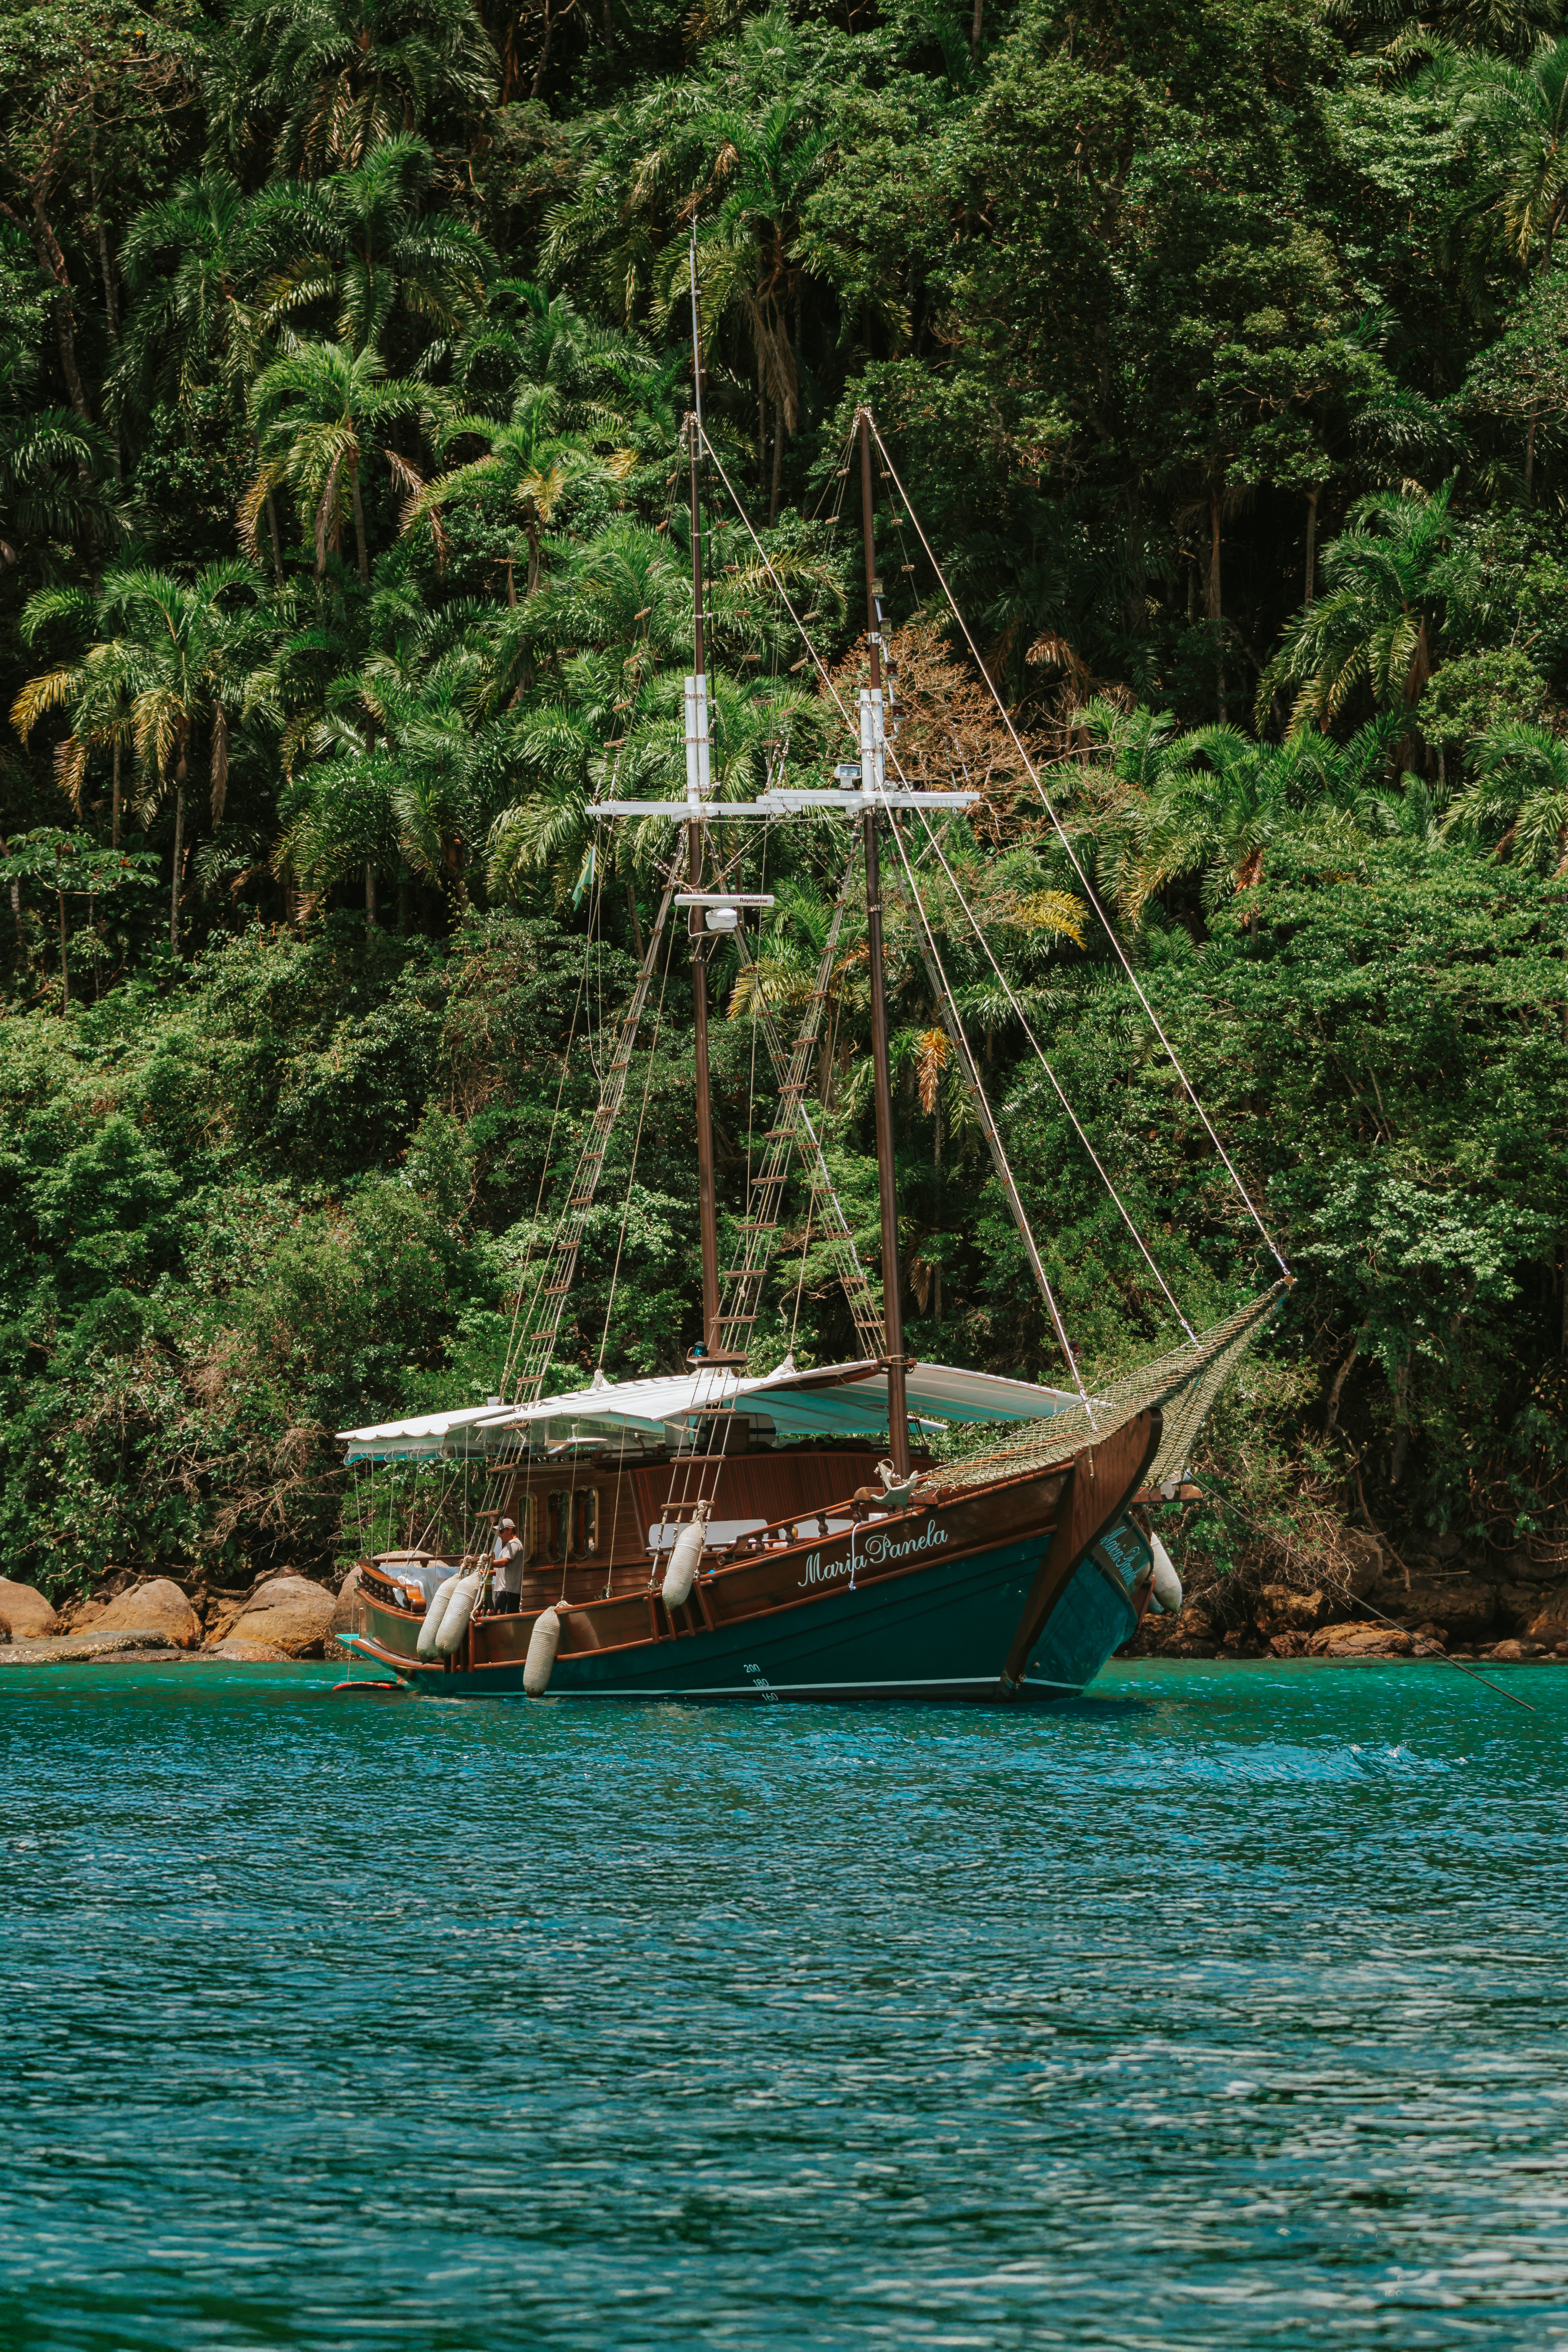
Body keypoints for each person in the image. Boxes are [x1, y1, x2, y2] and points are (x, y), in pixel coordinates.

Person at [490, 1517, 525, 1613]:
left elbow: (505, 1563)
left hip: (510, 1591)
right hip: (505, 1590)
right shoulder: (509, 1545)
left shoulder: (514, 1544)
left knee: (504, 1618)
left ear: (510, 1530)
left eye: (501, 1531)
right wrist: (490, 1572)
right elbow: (505, 1572)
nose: (500, 1535)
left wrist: (489, 1563)